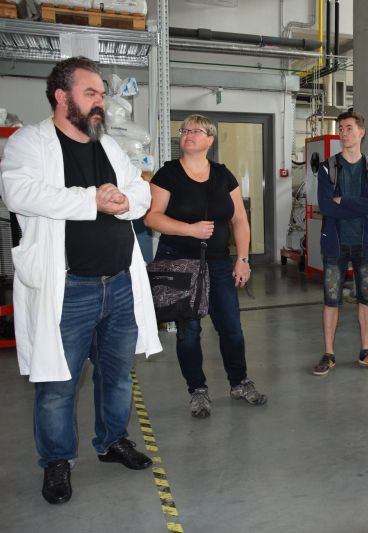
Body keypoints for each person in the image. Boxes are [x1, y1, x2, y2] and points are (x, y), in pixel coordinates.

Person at [0, 56, 162, 504]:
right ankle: (57, 461)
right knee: (58, 384)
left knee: (117, 375)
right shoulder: (30, 142)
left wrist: (123, 199)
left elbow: (141, 189)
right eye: (90, 93)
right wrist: (93, 200)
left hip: (120, 282)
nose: (100, 103)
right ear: (61, 96)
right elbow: (18, 192)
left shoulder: (107, 145)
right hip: (69, 288)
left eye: (101, 95)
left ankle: (112, 441)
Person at [145, 114, 267, 417]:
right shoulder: (168, 174)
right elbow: (152, 217)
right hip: (179, 262)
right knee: (189, 332)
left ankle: (239, 382)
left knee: (231, 328)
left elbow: (239, 219)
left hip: (218, 262)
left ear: (210, 140)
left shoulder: (223, 175)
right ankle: (197, 390)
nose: (188, 134)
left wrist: (243, 258)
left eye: (196, 131)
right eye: (184, 130)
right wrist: (190, 229)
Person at [312, 110, 368, 375]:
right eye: (341, 129)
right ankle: (328, 354)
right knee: (331, 298)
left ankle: (366, 351)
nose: (344, 133)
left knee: (367, 297)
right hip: (335, 244)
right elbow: (326, 207)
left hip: (366, 244)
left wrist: (343, 201)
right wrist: (363, 203)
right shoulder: (328, 167)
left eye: (349, 128)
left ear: (361, 132)